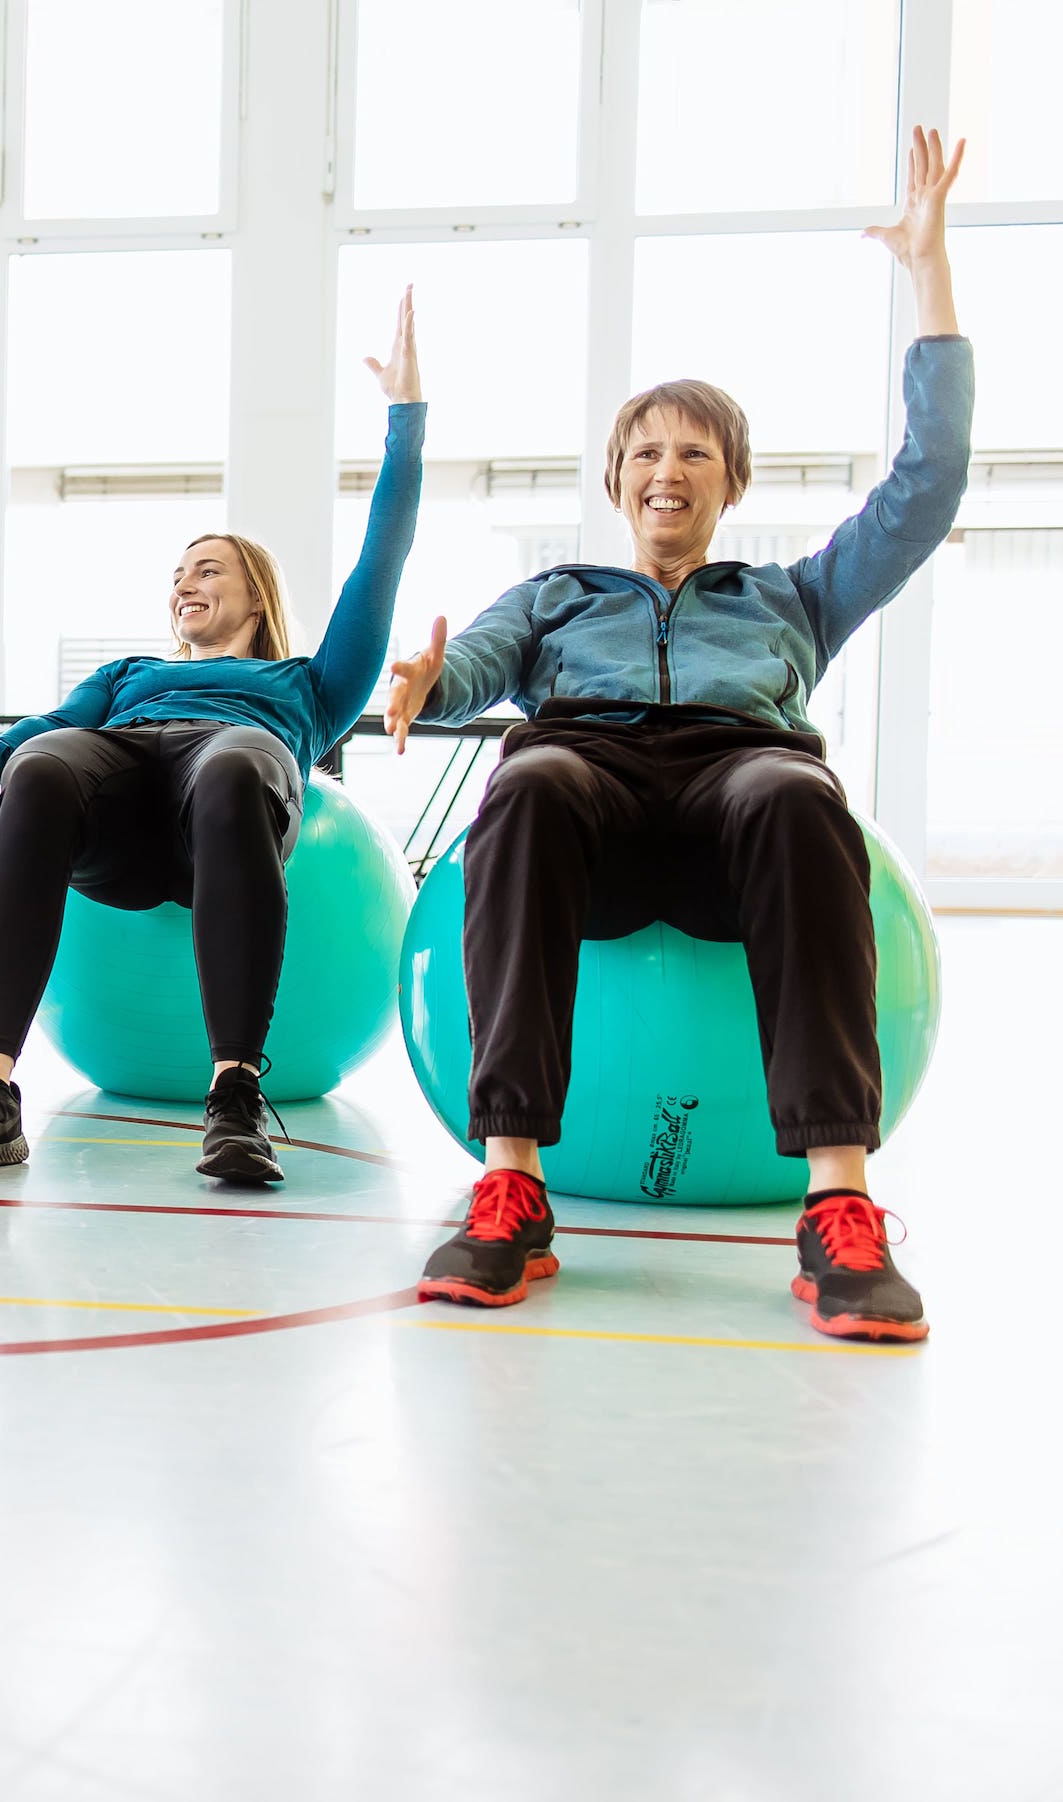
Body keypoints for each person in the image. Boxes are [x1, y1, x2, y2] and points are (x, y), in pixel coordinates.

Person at [383, 130, 971, 1343]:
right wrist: (430, 683)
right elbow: (476, 672)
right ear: (617, 480)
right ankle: (511, 1183)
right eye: (646, 450)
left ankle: (838, 1209)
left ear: (729, 481)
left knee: (796, 793)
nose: (669, 468)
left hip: (737, 780)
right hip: (587, 776)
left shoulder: (789, 597)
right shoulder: (558, 596)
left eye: (695, 452)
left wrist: (929, 274)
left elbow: (929, 482)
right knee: (532, 776)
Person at [0, 292, 427, 1185]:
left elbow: (379, 561)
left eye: (208, 568)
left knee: (234, 763)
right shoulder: (127, 675)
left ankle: (232, 1093)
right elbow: (57, 726)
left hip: (224, 796)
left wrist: (404, 425)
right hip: (123, 795)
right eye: (178, 573)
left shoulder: (307, 682)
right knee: (41, 767)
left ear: (255, 596)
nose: (185, 582)